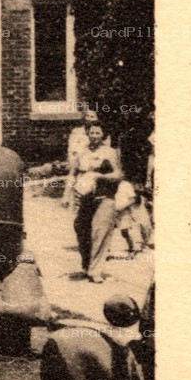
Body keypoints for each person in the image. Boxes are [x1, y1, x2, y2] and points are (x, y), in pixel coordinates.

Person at [63, 120, 123, 282]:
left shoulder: (109, 152)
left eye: (98, 133)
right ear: (87, 134)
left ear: (103, 135)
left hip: (104, 197)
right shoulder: (82, 152)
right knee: (81, 228)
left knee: (99, 232)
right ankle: (86, 265)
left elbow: (118, 175)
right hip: (85, 196)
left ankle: (95, 270)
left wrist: (100, 176)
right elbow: (72, 174)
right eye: (92, 132)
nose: (94, 136)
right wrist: (66, 194)